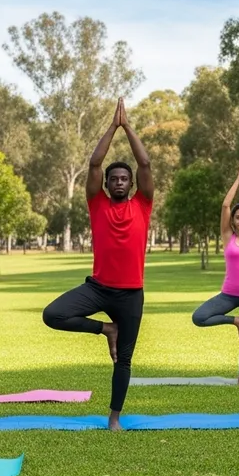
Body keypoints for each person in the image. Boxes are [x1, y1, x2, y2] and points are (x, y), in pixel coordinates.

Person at [42, 97, 153, 430]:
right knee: (53, 315)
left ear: (131, 184)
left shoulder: (143, 204)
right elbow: (93, 164)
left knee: (124, 360)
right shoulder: (97, 204)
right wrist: (112, 126)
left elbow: (145, 164)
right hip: (99, 289)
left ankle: (114, 417)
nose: (119, 182)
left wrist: (128, 127)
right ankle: (107, 329)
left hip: (130, 295)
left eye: (124, 179)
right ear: (106, 185)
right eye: (113, 178)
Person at [192, 160, 239, 386]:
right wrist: (237, 180)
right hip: (228, 294)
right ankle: (235, 320)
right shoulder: (227, 236)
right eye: (238, 217)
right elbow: (225, 205)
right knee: (198, 317)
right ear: (233, 220)